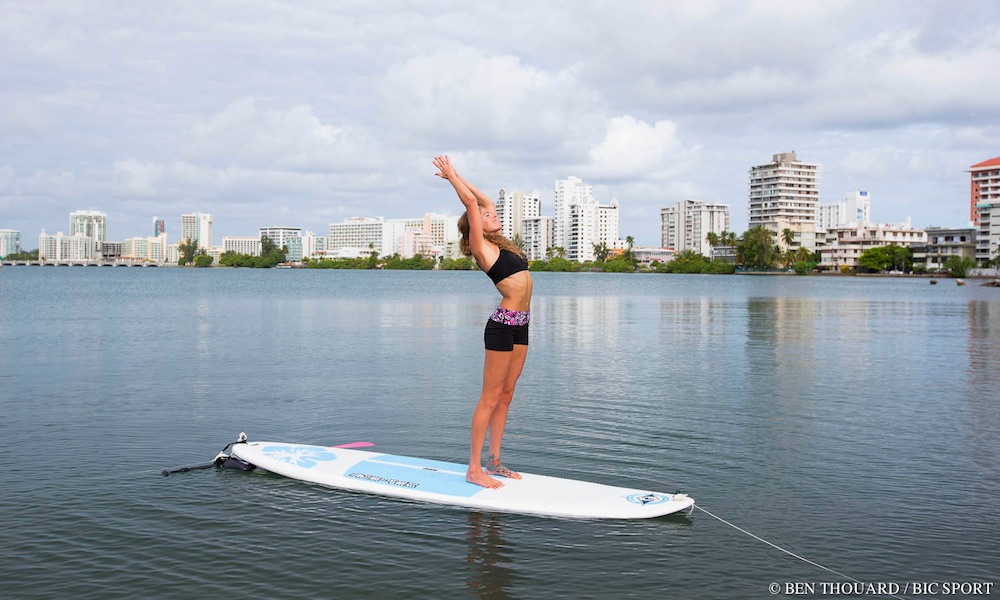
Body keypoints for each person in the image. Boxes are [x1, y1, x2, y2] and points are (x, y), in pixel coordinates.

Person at [434, 154, 533, 489]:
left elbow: (485, 199)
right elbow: (473, 203)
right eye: (487, 216)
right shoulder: (480, 245)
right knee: (489, 397)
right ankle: (473, 469)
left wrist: (462, 174)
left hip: (522, 323)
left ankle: (494, 462)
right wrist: (453, 179)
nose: (493, 215)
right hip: (502, 325)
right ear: (475, 224)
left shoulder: (502, 244)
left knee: (507, 394)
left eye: (494, 214)